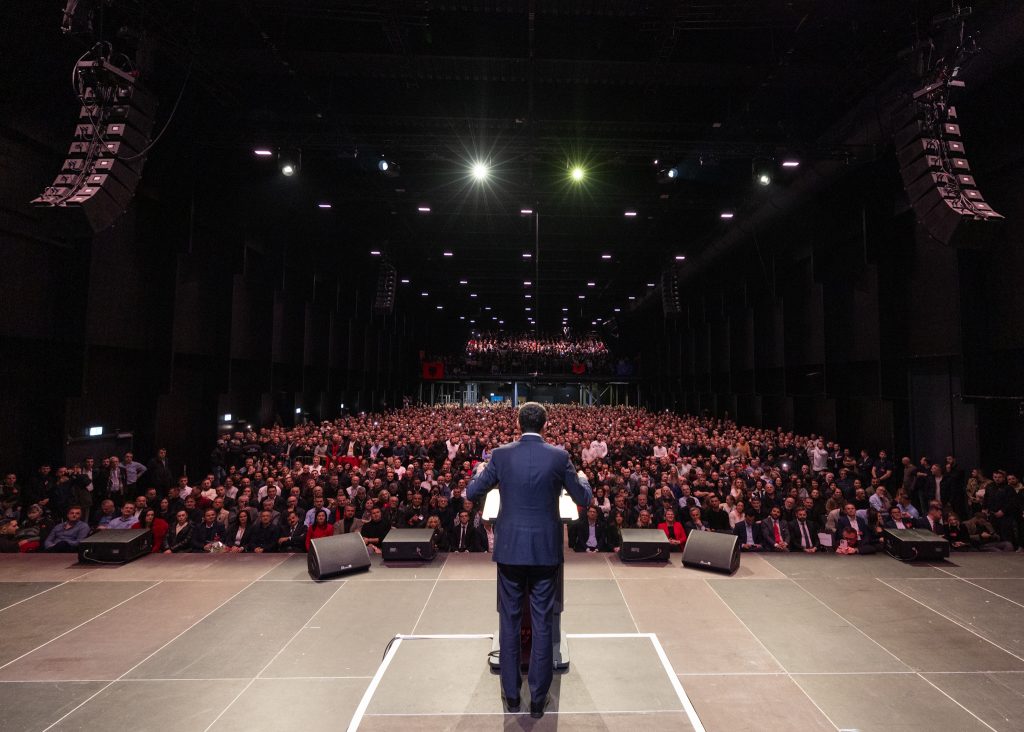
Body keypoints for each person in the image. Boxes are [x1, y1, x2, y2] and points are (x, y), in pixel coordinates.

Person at [466, 402, 591, 719]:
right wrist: (583, 477)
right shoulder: (559, 456)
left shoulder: (500, 455)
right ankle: (537, 700)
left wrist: (479, 472)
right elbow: (583, 498)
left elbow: (471, 492)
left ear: (518, 424)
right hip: (545, 551)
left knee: (509, 623)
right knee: (542, 623)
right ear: (545, 425)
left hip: (510, 549)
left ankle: (511, 697)